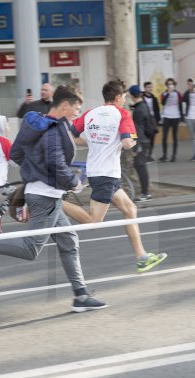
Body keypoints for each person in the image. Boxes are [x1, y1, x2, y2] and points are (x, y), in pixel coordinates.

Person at [0, 85, 108, 313]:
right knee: (30, 249)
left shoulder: (35, 123)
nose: (77, 113)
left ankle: (80, 295)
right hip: (46, 197)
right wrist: (73, 183)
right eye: (76, 108)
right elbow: (55, 163)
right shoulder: (53, 130)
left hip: (44, 193)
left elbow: (16, 154)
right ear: (64, 105)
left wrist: (34, 174)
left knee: (69, 241)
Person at [65, 79, 168, 273]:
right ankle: (55, 202)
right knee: (93, 222)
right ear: (119, 97)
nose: (125, 100)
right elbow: (128, 143)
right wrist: (135, 145)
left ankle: (142, 257)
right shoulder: (122, 114)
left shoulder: (90, 114)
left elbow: (72, 134)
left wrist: (92, 143)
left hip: (101, 172)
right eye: (124, 97)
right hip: (106, 175)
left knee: (130, 209)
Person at [128, 85, 154, 201]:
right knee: (140, 166)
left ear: (132, 96)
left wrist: (135, 146)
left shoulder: (138, 111)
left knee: (140, 166)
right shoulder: (143, 106)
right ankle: (145, 192)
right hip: (145, 140)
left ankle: (145, 193)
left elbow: (136, 131)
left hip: (141, 142)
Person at [159, 78, 184, 162]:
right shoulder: (164, 93)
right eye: (169, 84)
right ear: (166, 85)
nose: (170, 85)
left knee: (174, 137)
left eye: (172, 84)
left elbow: (180, 105)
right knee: (164, 137)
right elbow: (163, 102)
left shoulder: (178, 94)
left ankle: (174, 155)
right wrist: (168, 94)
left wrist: (182, 118)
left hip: (176, 117)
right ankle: (164, 155)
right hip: (166, 116)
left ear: (174, 85)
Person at [141, 81, 160, 161]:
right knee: (145, 138)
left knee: (152, 138)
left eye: (151, 87)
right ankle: (144, 155)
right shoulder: (141, 97)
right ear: (145, 88)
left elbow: (157, 109)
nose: (150, 89)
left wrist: (157, 120)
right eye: (148, 87)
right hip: (144, 120)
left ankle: (149, 155)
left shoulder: (154, 98)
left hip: (152, 120)